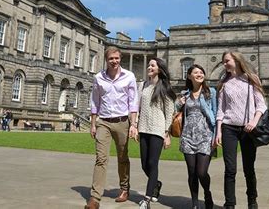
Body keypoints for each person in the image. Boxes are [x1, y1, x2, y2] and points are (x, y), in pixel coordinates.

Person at [85, 46, 138, 209]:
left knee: (123, 157)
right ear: (106, 60)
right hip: (104, 122)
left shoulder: (129, 76)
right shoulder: (98, 78)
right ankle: (95, 198)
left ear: (120, 58)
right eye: (111, 59)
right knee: (101, 158)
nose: (114, 61)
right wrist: (93, 124)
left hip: (123, 121)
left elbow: (133, 101)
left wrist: (133, 124)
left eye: (116, 58)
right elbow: (95, 101)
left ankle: (124, 188)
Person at [215, 51, 267, 209]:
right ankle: (229, 204)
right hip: (228, 128)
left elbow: (261, 105)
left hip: (248, 129)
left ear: (236, 60)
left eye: (226, 61)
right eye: (223, 62)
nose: (224, 64)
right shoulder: (224, 83)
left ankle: (252, 200)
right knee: (230, 169)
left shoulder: (251, 79)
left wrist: (254, 121)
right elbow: (221, 110)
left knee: (248, 168)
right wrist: (218, 131)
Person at [136, 58, 176, 209]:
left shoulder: (164, 87)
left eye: (153, 65)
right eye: (149, 65)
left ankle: (146, 199)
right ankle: (156, 183)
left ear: (159, 69)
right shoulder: (143, 85)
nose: (149, 67)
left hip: (158, 130)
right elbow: (138, 107)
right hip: (143, 128)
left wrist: (167, 133)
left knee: (153, 163)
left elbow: (170, 111)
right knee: (144, 164)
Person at [177, 64, 217, 209]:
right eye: (196, 72)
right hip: (188, 136)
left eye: (201, 72)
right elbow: (175, 113)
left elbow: (216, 113)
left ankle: (207, 193)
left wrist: (217, 135)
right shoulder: (184, 94)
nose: (199, 74)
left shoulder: (210, 92)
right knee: (192, 172)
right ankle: (194, 203)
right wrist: (178, 104)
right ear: (189, 76)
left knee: (201, 172)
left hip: (205, 136)